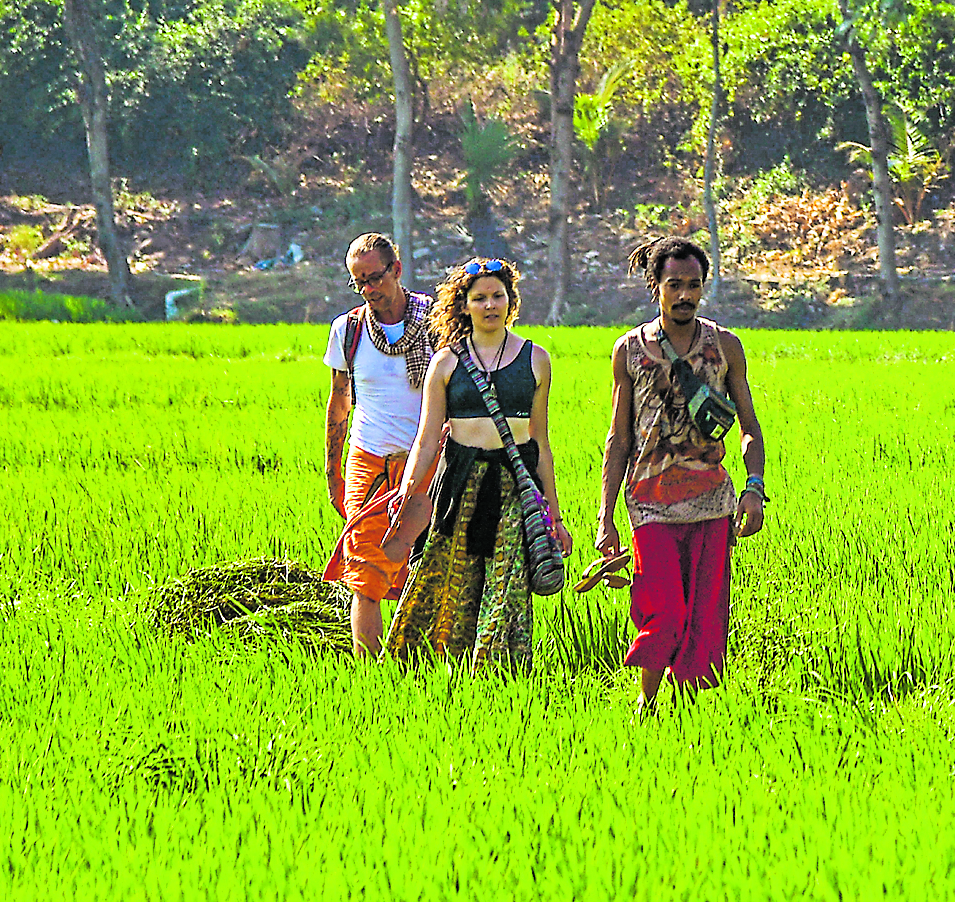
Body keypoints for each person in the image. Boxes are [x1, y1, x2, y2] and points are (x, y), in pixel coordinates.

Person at [593, 236, 769, 711]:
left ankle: (687, 717)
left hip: (711, 502)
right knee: (664, 611)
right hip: (649, 502)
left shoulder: (725, 346)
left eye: (694, 285)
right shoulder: (629, 350)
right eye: (675, 285)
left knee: (706, 621)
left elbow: (749, 426)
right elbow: (619, 438)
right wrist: (605, 517)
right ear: (657, 287)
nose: (685, 295)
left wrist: (754, 489)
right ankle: (646, 707)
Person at [383, 259, 571, 670]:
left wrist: (553, 514)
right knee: (447, 578)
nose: (490, 305)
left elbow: (540, 440)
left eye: (498, 296)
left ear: (511, 301)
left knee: (506, 586)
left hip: (514, 489)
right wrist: (407, 489)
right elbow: (428, 436)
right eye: (479, 298)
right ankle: (428, 666)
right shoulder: (446, 362)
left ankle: (494, 672)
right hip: (460, 486)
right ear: (463, 305)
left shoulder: (536, 360)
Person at [322, 232, 434, 656]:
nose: (369, 290)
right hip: (367, 462)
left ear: (397, 271)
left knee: (425, 568)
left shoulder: (436, 322)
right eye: (359, 282)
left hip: (426, 463)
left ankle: (417, 661)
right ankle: (370, 672)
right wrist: (333, 474)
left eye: (374, 278)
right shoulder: (347, 330)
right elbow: (338, 404)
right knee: (365, 573)